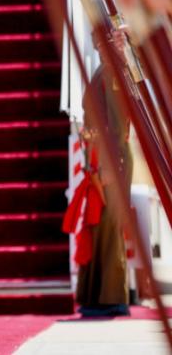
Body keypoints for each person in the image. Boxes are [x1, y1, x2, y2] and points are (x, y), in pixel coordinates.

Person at [76, 28, 133, 317]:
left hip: (111, 159)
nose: (99, 44)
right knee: (98, 224)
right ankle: (96, 295)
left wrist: (112, 164)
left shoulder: (113, 72)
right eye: (97, 39)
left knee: (110, 227)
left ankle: (112, 296)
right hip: (99, 157)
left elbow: (118, 125)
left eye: (105, 39)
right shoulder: (105, 70)